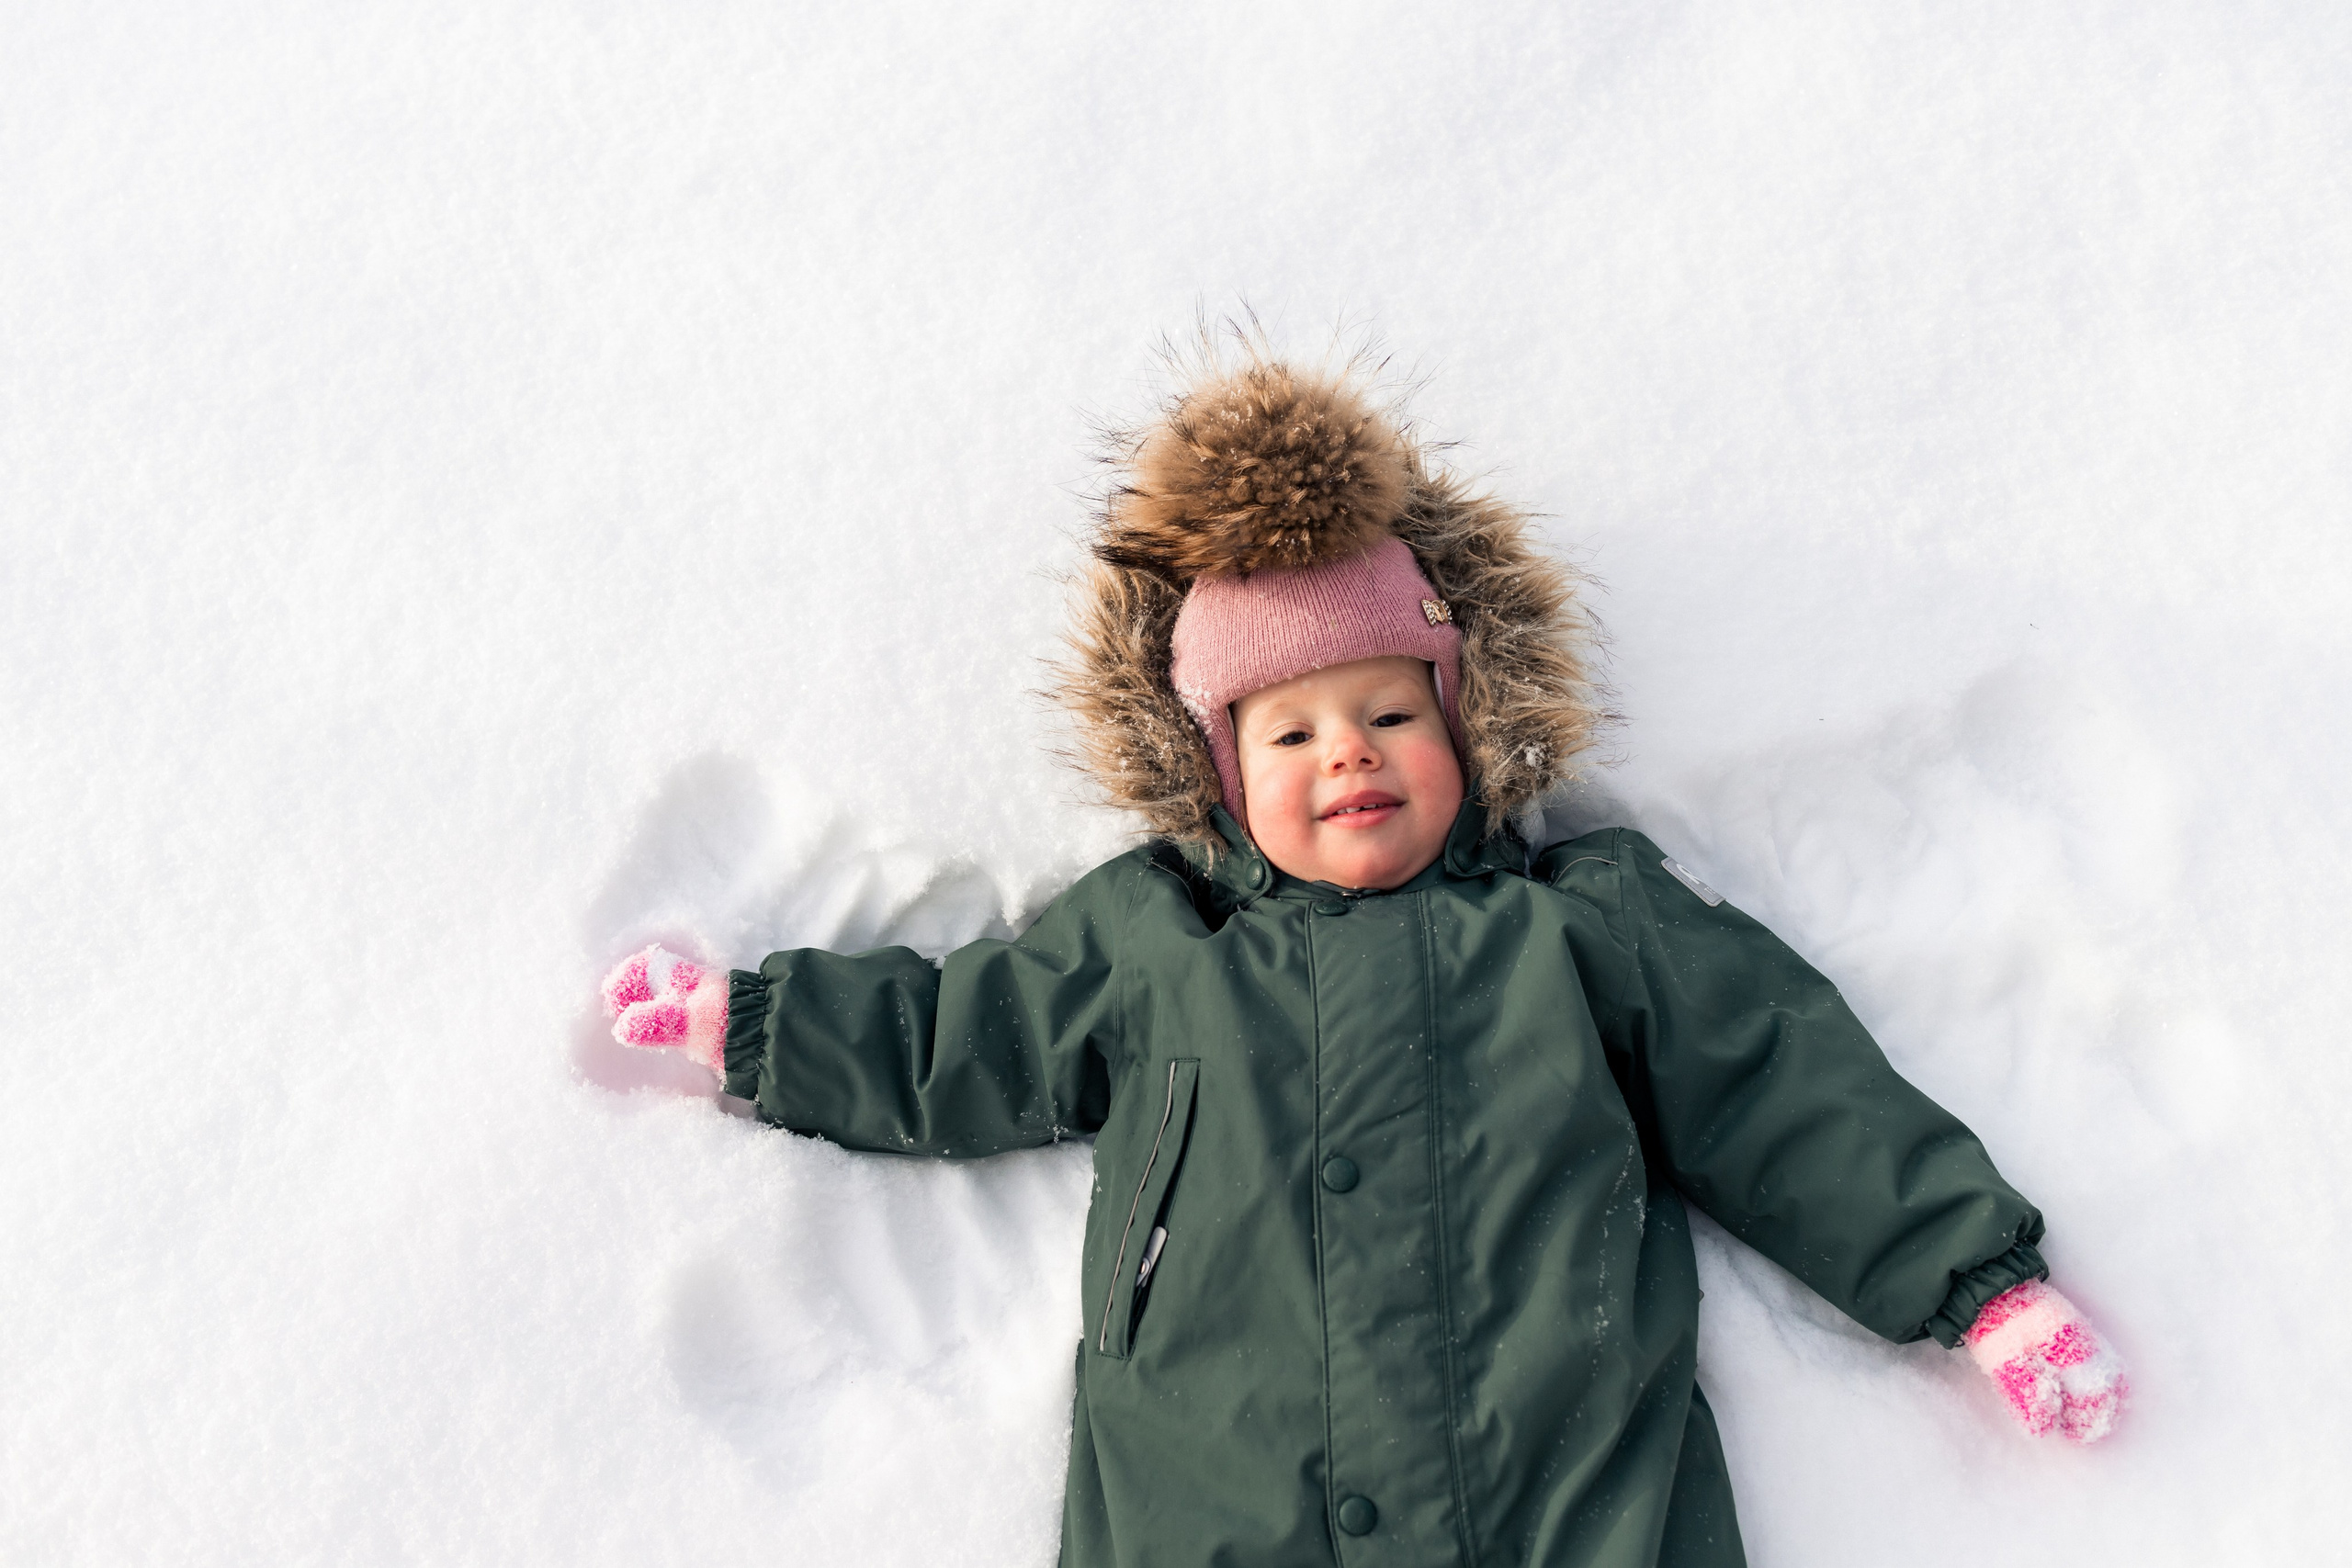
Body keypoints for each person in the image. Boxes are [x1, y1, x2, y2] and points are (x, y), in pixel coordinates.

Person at [598, 353, 2125, 1567]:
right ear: (1217, 773)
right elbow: (970, 1031)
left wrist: (1979, 1288)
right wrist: (761, 1029)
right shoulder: (1159, 939)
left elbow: (1779, 1085)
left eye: (1392, 713)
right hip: (1216, 1493)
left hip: (1562, 1497)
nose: (1349, 755)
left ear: (1465, 723)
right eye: (1291, 734)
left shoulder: (1584, 928)